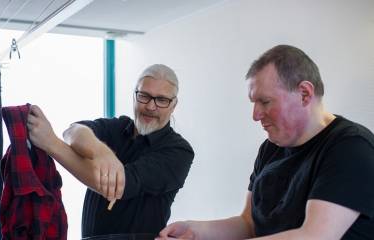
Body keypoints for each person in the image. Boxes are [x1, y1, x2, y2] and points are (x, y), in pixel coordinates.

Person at [157, 45, 374, 240]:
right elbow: (249, 224)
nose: (256, 115)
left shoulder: (351, 147)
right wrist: (195, 231)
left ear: (305, 94)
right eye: (254, 102)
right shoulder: (271, 148)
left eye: (265, 101)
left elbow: (314, 236)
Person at [27, 64, 194, 238]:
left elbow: (115, 186)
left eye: (161, 100)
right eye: (144, 96)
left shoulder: (179, 151)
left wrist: (52, 144)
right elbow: (73, 131)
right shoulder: (118, 127)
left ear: (173, 105)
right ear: (135, 96)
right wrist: (101, 152)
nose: (151, 107)